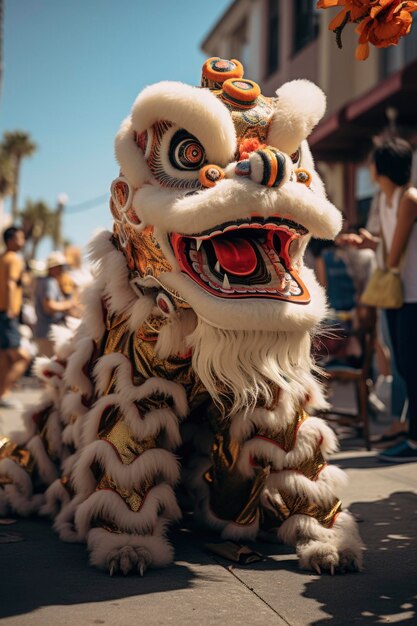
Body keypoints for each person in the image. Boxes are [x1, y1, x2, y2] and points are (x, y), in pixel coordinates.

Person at [340, 138, 417, 462]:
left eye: (372, 162)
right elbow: (387, 244)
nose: (369, 168)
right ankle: (411, 436)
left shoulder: (408, 198)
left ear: (380, 167)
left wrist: (377, 247)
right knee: (404, 364)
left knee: (412, 366)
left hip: (411, 294)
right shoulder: (386, 201)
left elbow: (394, 254)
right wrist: (366, 241)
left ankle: (413, 441)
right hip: (398, 296)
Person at [0, 225, 31, 408]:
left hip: (1, 313)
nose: (23, 241)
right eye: (20, 238)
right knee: (22, 358)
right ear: (11, 240)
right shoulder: (14, 259)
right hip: (7, 314)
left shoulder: (3, 258)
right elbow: (11, 284)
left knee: (3, 358)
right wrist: (12, 310)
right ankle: (5, 393)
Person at [34, 251, 76, 357]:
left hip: (44, 332)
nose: (62, 270)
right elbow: (49, 307)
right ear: (53, 268)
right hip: (49, 334)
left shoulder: (43, 281)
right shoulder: (50, 282)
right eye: (60, 267)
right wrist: (68, 304)